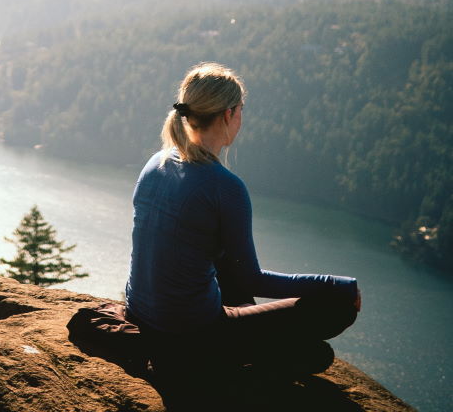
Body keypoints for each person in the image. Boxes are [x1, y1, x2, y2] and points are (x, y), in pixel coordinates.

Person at [123, 62, 359, 397]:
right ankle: (235, 361)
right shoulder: (224, 186)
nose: (241, 119)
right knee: (334, 311)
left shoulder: (156, 162)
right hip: (189, 331)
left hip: (141, 312)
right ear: (228, 114)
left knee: (228, 271)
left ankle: (253, 349)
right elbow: (251, 279)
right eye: (241, 111)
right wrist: (335, 285)